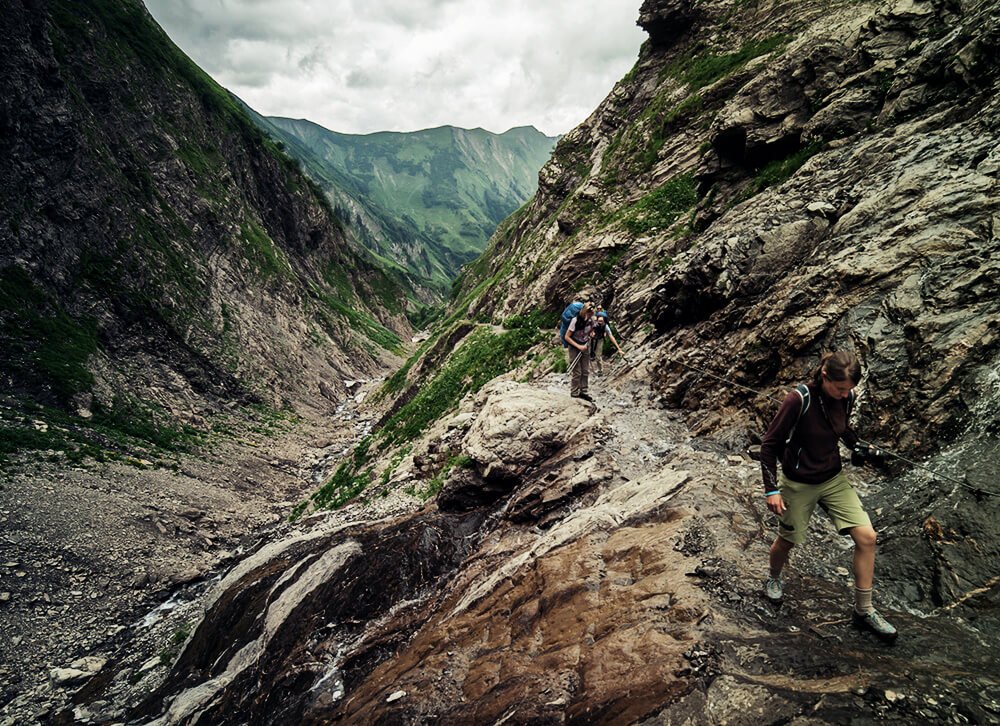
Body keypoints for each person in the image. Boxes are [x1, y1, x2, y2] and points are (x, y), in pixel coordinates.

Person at [759, 351, 897, 642]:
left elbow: (842, 427)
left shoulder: (845, 397)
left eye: (848, 389)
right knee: (788, 540)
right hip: (798, 482)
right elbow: (769, 445)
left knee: (867, 537)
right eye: (840, 388)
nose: (844, 394)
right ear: (824, 377)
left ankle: (864, 610)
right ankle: (773, 577)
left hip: (833, 478)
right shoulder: (798, 400)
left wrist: (857, 445)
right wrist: (771, 489)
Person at [564, 302, 595, 401]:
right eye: (589, 312)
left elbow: (591, 330)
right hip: (574, 346)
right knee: (577, 371)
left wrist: (592, 333)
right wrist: (578, 346)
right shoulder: (575, 320)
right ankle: (574, 392)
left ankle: (583, 391)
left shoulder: (591, 320)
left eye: (592, 312)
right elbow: (567, 337)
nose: (591, 314)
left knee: (585, 370)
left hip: (585, 345)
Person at [590, 308, 624, 374]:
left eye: (601, 321)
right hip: (591, 339)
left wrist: (618, 348)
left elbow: (611, 336)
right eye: (598, 321)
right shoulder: (593, 323)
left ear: (604, 321)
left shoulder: (605, 326)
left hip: (599, 340)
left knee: (598, 356)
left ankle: (600, 370)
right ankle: (590, 370)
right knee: (588, 354)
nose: (600, 323)